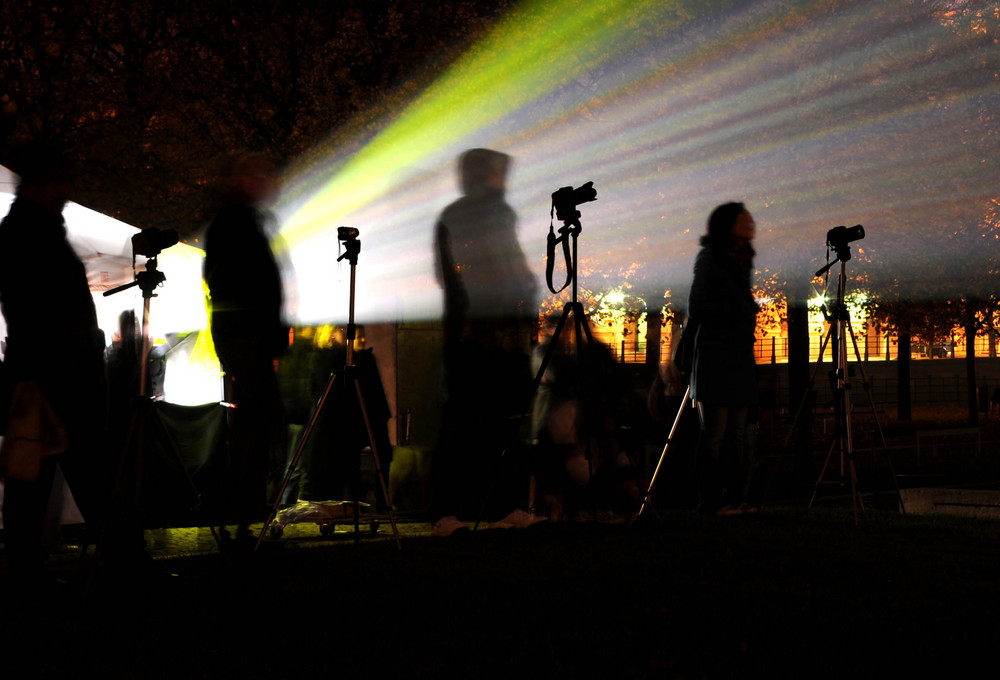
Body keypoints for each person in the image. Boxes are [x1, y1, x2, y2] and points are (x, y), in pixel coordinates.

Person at [0, 144, 116, 586]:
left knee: (39, 470)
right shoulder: (33, 233)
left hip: (44, 370)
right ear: (43, 184)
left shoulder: (28, 229)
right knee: (78, 468)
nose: (67, 189)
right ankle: (119, 555)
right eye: (61, 180)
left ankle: (28, 565)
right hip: (56, 372)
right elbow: (43, 308)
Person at [430, 148, 545, 536]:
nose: (502, 177)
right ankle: (449, 511)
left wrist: (524, 291)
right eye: (497, 170)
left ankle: (500, 505)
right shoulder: (461, 216)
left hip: (501, 333)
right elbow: (457, 271)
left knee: (502, 423)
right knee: (465, 422)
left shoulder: (499, 214)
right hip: (475, 333)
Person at [203, 153, 288, 546]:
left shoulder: (235, 220)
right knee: (255, 430)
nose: (269, 182)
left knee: (254, 429)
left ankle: (239, 516)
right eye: (262, 175)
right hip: (247, 337)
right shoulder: (238, 222)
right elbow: (241, 281)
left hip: (245, 336)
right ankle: (239, 515)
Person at [686, 202, 760, 515]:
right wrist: (738, 312)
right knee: (716, 434)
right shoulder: (711, 258)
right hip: (717, 356)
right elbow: (698, 306)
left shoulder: (742, 260)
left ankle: (734, 498)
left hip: (737, 356)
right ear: (729, 225)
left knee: (736, 435)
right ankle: (712, 501)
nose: (752, 222)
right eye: (745, 218)